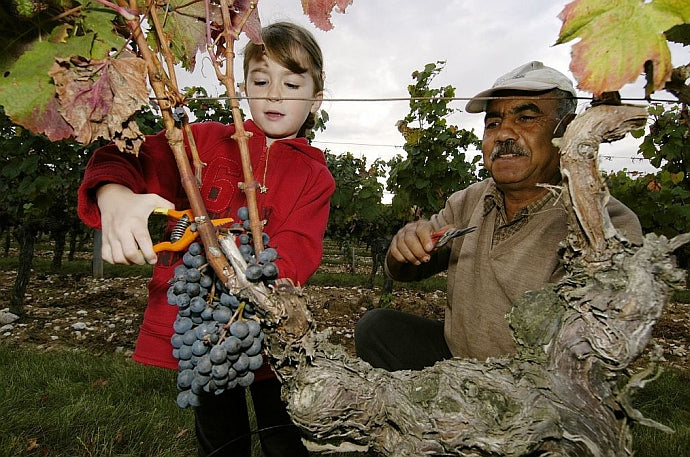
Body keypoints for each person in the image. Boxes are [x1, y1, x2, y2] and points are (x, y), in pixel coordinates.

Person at [77, 22, 334, 457]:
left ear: (316, 98)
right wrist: (114, 194)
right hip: (204, 337)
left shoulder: (316, 177)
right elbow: (124, 158)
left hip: (272, 335)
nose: (274, 94)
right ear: (241, 86)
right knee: (221, 438)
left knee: (284, 436)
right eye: (260, 80)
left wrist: (255, 288)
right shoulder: (200, 143)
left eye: (291, 82)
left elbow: (296, 250)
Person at [354, 61, 644, 371]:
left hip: (538, 383)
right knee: (377, 327)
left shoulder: (604, 223)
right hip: (460, 360)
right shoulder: (468, 201)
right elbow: (401, 271)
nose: (504, 134)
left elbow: (603, 345)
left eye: (526, 118)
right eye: (493, 123)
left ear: (566, 130)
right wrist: (404, 247)